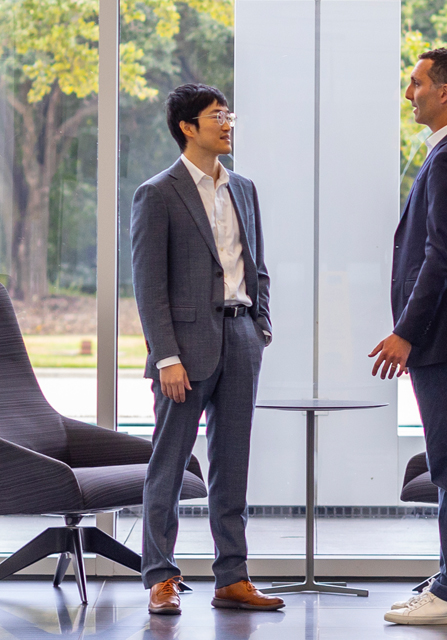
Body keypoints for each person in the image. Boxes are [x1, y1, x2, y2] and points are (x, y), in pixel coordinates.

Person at [131, 83, 285, 615]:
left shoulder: (244, 188)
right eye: (216, 116)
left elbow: (256, 265)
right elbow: (149, 285)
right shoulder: (157, 193)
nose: (227, 124)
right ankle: (159, 577)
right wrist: (166, 356)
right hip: (184, 353)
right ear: (187, 127)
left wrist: (260, 326)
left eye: (229, 115)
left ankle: (232, 578)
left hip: (242, 339)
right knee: (169, 464)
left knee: (233, 463)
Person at [370, 48, 447, 625]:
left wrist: (405, 333)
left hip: (440, 336)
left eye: (416, 82)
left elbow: (438, 258)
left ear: (444, 92)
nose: (408, 93)